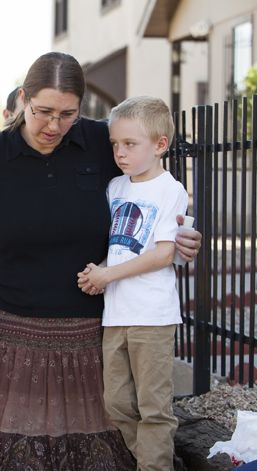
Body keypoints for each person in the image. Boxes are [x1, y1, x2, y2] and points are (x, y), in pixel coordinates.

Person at [0, 52, 202, 470]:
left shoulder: (104, 143)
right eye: (43, 112)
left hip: (93, 333)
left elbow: (153, 200)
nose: (54, 125)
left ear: (82, 108)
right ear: (23, 99)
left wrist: (183, 235)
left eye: (67, 114)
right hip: (12, 336)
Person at [77, 95, 186, 471]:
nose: (119, 153)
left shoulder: (170, 189)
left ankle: (154, 466)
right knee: (117, 403)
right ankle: (150, 460)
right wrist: (99, 272)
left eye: (129, 144)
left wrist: (108, 274)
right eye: (114, 144)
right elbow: (120, 246)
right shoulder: (115, 188)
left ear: (160, 146)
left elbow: (162, 253)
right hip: (116, 314)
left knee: (154, 406)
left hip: (152, 316)